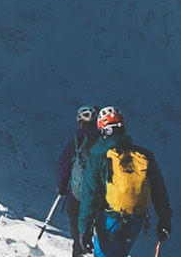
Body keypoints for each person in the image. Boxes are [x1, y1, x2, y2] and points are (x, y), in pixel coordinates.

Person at [73, 107, 173, 257]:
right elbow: (159, 190)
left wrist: (84, 230)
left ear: (102, 129)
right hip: (135, 219)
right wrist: (165, 220)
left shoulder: (97, 157)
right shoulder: (144, 155)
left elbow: (90, 196)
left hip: (108, 219)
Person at [55, 105, 102, 256]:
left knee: (78, 238)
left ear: (80, 122)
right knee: (101, 239)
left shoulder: (76, 142)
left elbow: (63, 167)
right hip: (100, 199)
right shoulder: (106, 142)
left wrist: (62, 187)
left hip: (77, 197)